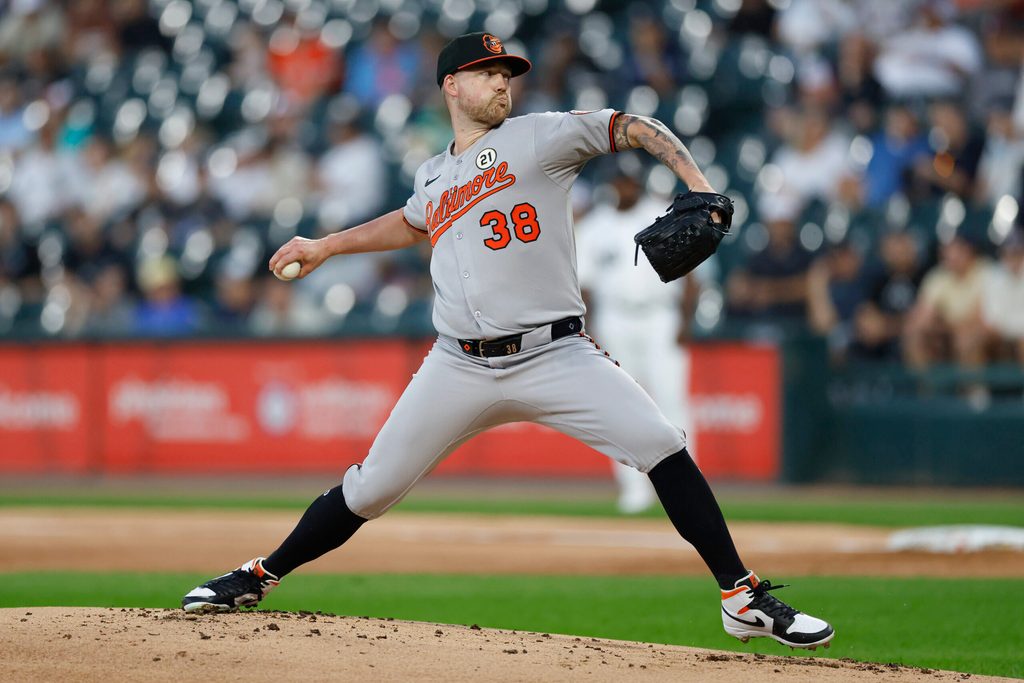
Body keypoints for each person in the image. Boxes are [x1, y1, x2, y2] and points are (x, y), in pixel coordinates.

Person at [182, 32, 834, 650]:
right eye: (487, 73)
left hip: (556, 352)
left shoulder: (538, 137)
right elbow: (410, 222)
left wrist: (696, 183)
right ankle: (258, 574)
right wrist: (327, 244)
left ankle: (741, 597)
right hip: (456, 363)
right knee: (370, 488)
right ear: (451, 86)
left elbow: (633, 127)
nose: (502, 82)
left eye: (507, 73)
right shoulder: (435, 174)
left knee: (661, 444)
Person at [576, 160, 701, 514]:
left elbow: (692, 274)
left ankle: (690, 488)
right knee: (622, 406)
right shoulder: (594, 227)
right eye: (620, 180)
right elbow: (584, 287)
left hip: (661, 315)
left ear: (639, 182)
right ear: (611, 184)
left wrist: (685, 321)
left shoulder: (661, 216)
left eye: (630, 180)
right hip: (615, 317)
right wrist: (592, 328)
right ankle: (634, 488)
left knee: (672, 401)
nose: (625, 186)